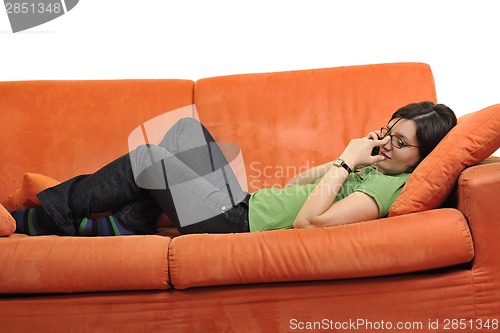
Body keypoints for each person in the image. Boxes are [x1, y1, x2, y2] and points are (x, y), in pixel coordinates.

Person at [1, 101, 457, 237]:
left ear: (424, 155)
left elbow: (309, 221)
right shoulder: (370, 166)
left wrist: (344, 165)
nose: (386, 145)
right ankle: (127, 224)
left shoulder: (385, 191)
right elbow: (295, 185)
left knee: (149, 159)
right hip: (243, 203)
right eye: (386, 131)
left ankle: (41, 218)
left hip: (236, 225)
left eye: (400, 143)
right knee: (183, 130)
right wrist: (349, 154)